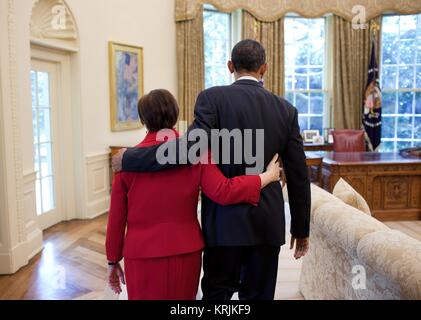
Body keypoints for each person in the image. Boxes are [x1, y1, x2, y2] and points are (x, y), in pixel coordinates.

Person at [113, 40, 311, 300]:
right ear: (265, 68)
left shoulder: (212, 99)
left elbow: (187, 149)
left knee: (217, 298)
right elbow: (299, 176)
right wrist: (301, 229)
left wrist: (129, 158)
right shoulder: (286, 110)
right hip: (267, 226)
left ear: (230, 66)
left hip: (223, 225)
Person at [106, 89, 282, 300]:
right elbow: (223, 190)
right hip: (186, 249)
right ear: (176, 115)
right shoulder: (197, 152)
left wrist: (112, 260)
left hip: (141, 252)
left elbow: (116, 219)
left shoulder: (125, 161)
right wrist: (266, 177)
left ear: (143, 120)